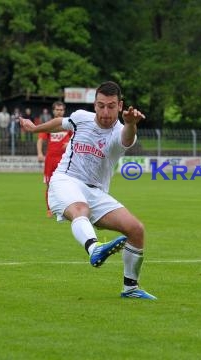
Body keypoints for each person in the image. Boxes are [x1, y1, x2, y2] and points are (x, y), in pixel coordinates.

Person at [20, 81, 156, 300]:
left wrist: (131, 124)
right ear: (94, 104)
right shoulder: (81, 117)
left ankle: (130, 288)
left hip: (96, 192)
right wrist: (35, 128)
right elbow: (61, 123)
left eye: (111, 106)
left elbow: (127, 139)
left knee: (136, 230)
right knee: (80, 208)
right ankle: (94, 249)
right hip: (65, 180)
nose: (105, 112)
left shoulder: (121, 131)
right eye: (101, 105)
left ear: (120, 106)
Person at [36, 101, 72, 218]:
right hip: (51, 159)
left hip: (65, 159)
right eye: (57, 110)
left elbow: (77, 138)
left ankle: (65, 209)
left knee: (68, 185)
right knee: (50, 185)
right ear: (53, 111)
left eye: (61, 110)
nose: (59, 111)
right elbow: (40, 139)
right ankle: (49, 209)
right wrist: (40, 153)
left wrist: (69, 143)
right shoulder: (49, 125)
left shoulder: (69, 125)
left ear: (64, 111)